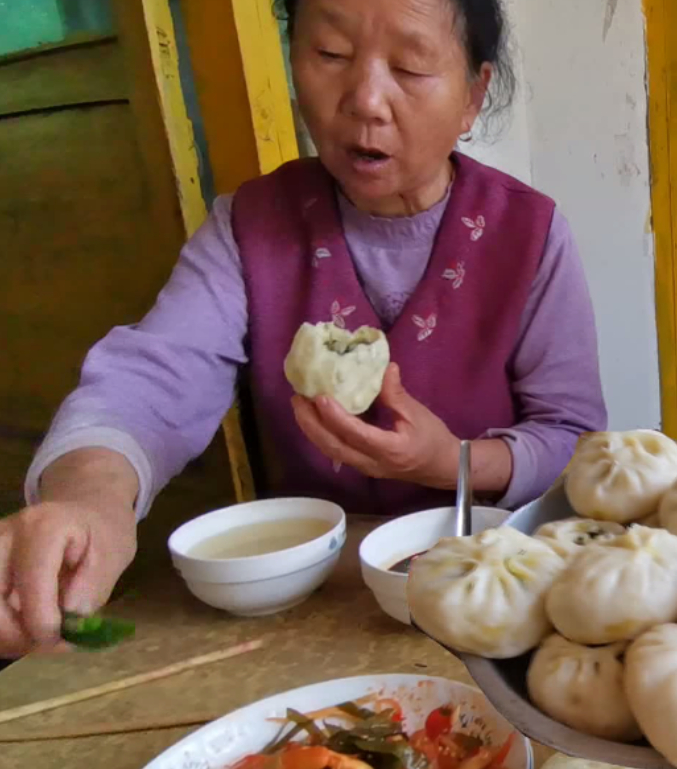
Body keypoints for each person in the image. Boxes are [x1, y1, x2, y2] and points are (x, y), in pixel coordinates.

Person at [0, 0, 607, 658]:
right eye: (330, 56)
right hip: (308, 596)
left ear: (473, 94)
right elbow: (148, 382)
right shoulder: (249, 227)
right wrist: (91, 502)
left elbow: (572, 439)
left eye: (410, 66)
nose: (366, 99)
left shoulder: (530, 235)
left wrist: (449, 461)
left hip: (489, 585)